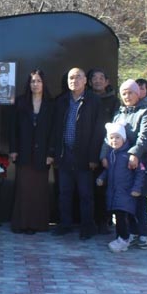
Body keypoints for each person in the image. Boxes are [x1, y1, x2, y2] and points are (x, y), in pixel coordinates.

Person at [101, 79, 147, 249]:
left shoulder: (146, 111)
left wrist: (134, 153)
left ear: (138, 93)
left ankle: (144, 234)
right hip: (119, 165)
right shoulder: (119, 113)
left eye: (130, 92)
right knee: (125, 202)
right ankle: (130, 233)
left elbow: (145, 136)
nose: (127, 96)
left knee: (138, 199)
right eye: (124, 93)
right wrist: (104, 154)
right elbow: (109, 135)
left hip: (138, 163)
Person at [50, 67, 104, 240]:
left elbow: (98, 131)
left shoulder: (94, 101)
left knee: (85, 194)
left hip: (84, 156)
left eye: (78, 77)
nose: (74, 81)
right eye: (71, 78)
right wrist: (55, 153)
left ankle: (87, 226)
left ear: (85, 81)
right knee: (64, 192)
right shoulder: (61, 101)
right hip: (65, 154)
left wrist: (93, 157)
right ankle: (65, 224)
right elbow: (55, 129)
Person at [9, 69, 55, 234]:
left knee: (39, 190)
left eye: (38, 81)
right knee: (24, 189)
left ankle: (37, 224)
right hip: (23, 152)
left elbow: (54, 130)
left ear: (44, 84)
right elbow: (13, 128)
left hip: (43, 154)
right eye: (33, 81)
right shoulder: (21, 102)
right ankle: (22, 223)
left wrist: (51, 153)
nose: (35, 84)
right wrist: (13, 150)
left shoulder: (51, 103)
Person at [97, 123, 145, 253]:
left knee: (122, 217)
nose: (114, 140)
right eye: (111, 138)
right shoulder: (111, 155)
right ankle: (125, 236)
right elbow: (108, 170)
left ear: (123, 138)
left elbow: (140, 172)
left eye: (117, 137)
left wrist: (137, 188)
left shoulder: (130, 155)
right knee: (119, 215)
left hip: (126, 193)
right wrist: (102, 177)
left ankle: (123, 239)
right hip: (114, 192)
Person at [87, 67, 120, 234]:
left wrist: (104, 153)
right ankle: (89, 221)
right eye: (94, 78)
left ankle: (105, 221)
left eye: (101, 78)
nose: (98, 81)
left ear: (107, 81)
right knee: (89, 189)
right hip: (87, 151)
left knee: (105, 189)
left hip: (107, 152)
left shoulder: (114, 102)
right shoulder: (85, 99)